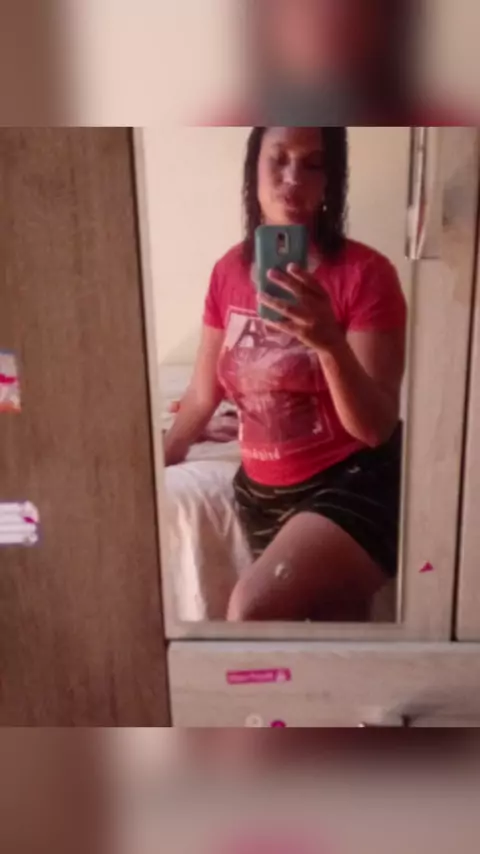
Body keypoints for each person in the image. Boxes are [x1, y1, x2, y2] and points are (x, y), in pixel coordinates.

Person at [164, 127, 407, 622]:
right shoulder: (227, 272)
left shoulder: (366, 274)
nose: (294, 178)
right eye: (279, 160)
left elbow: (375, 428)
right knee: (333, 636)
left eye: (313, 164)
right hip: (262, 492)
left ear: (330, 181)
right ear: (253, 171)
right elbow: (203, 393)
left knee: (253, 607)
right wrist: (157, 459)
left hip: (352, 478)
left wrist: (329, 343)